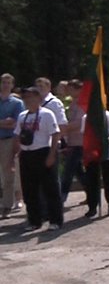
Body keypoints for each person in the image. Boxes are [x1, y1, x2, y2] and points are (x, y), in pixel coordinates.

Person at [13, 87, 63, 231]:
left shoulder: (47, 114)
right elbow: (17, 134)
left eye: (31, 97)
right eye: (26, 98)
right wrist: (17, 151)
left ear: (38, 99)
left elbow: (55, 134)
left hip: (43, 152)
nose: (29, 100)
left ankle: (55, 220)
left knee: (50, 189)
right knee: (29, 190)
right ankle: (34, 220)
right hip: (27, 154)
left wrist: (52, 155)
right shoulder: (23, 116)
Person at [82, 108, 109, 217]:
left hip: (107, 154)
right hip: (91, 155)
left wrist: (104, 142)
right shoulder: (86, 118)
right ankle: (92, 207)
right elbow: (84, 135)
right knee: (92, 182)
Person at [0, 73, 24, 219]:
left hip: (8, 140)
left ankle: (7, 205)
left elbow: (16, 122)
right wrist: (5, 122)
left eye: (8, 82)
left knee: (9, 172)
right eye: (3, 82)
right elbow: (9, 122)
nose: (5, 85)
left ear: (12, 85)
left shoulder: (16, 103)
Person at [60, 79, 88, 204]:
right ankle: (91, 192)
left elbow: (80, 122)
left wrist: (63, 128)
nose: (69, 92)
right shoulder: (71, 103)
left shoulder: (83, 103)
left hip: (80, 141)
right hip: (71, 141)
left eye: (71, 89)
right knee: (78, 171)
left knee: (68, 170)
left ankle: (61, 197)